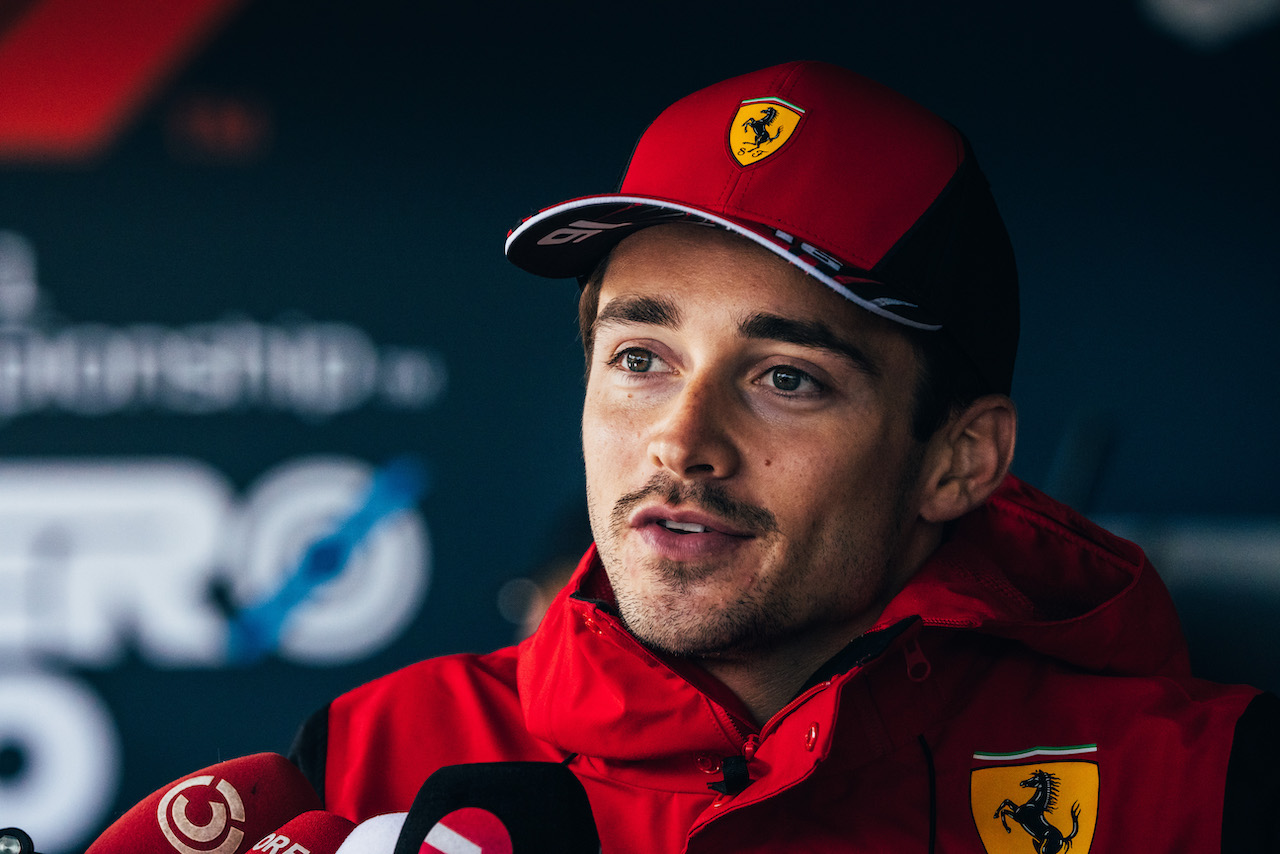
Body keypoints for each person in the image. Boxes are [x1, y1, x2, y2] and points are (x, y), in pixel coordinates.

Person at [289, 61, 1278, 852]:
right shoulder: (368, 758)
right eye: (640, 357)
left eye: (784, 378)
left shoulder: (1198, 791)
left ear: (959, 459)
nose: (680, 438)